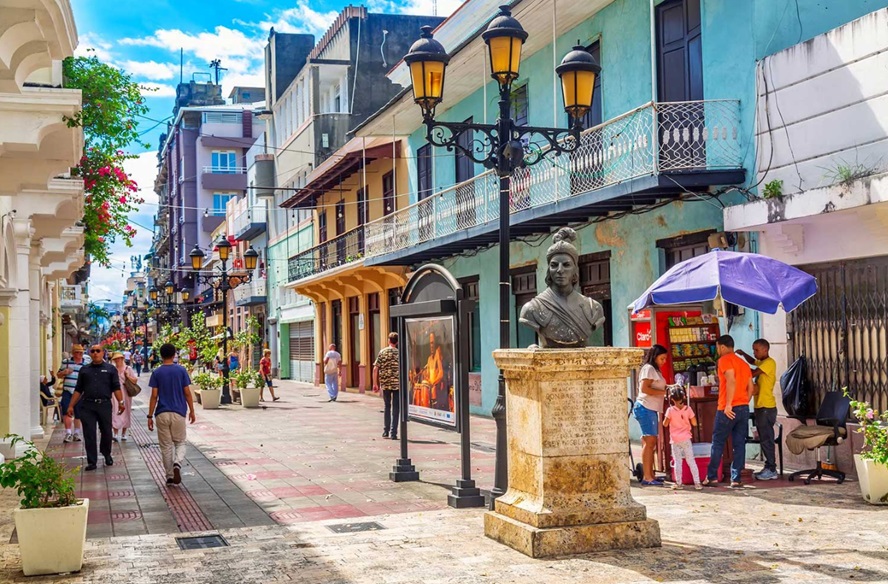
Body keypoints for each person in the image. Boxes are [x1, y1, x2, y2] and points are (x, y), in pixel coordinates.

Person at [518, 227, 605, 348]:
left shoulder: (593, 308)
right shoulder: (532, 309)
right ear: (549, 270)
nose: (560, 270)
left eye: (566, 265)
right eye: (554, 265)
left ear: (575, 269)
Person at [703, 335, 754, 488]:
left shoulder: (725, 360)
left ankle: (711, 477)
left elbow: (731, 380)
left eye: (718, 347)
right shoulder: (743, 363)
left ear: (723, 347)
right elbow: (751, 387)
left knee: (718, 442)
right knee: (739, 444)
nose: (717, 350)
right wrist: (744, 401)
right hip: (743, 407)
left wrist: (729, 404)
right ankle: (736, 478)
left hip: (727, 408)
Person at [66, 344, 125, 471]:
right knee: (89, 433)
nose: (95, 353)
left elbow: (116, 387)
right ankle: (92, 461)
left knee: (106, 432)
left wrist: (121, 402)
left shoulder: (110, 369)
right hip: (88, 405)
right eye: (93, 351)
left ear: (103, 352)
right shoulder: (84, 370)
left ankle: (106, 453)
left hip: (104, 404)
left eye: (98, 351)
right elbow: (78, 389)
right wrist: (71, 405)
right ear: (90, 353)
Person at [147, 343, 196, 485]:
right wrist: (192, 410)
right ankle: (177, 463)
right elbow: (187, 392)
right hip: (178, 412)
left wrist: (150, 416)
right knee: (180, 442)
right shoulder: (181, 370)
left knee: (166, 446)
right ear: (174, 354)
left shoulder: (156, 372)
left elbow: (154, 396)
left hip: (161, 413)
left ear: (161, 355)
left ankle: (169, 476)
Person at [737, 339, 779, 481]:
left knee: (767, 439)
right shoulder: (762, 361)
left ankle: (771, 469)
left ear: (765, 350)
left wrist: (737, 367)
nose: (754, 353)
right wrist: (743, 354)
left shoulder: (769, 363)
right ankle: (769, 466)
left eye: (757, 350)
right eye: (753, 350)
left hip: (767, 407)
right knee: (763, 438)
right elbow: (753, 361)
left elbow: (753, 373)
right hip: (760, 407)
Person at [633, 344, 669, 486]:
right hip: (645, 407)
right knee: (650, 442)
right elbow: (645, 388)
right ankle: (648, 477)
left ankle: (651, 474)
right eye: (662, 358)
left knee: (650, 442)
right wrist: (664, 393)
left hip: (651, 408)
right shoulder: (648, 369)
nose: (664, 361)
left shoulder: (655, 370)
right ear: (655, 357)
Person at [663, 386, 701, 490]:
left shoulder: (670, 410)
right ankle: (697, 483)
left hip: (675, 440)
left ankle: (679, 483)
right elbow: (694, 423)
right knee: (691, 461)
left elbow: (665, 424)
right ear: (684, 397)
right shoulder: (688, 409)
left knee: (677, 462)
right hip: (686, 439)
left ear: (671, 399)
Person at [373, 332, 400, 440]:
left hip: (385, 384)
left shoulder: (382, 352)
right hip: (397, 384)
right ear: (397, 342)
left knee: (387, 406)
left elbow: (375, 368)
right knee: (396, 408)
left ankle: (386, 431)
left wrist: (375, 383)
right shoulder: (399, 353)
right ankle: (394, 433)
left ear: (389, 340)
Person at [57, 344, 86, 443]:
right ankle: (68, 433)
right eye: (77, 352)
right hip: (67, 391)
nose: (79, 354)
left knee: (78, 413)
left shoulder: (86, 364)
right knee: (66, 411)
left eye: (81, 352)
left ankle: (77, 433)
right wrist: (64, 372)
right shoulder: (66, 362)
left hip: (80, 393)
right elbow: (58, 375)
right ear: (73, 353)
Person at [110, 352, 136, 442]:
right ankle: (115, 433)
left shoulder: (128, 368)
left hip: (126, 393)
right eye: (116, 359)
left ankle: (124, 433)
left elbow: (135, 380)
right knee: (115, 411)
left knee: (126, 411)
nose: (118, 360)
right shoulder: (112, 369)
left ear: (122, 359)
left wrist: (127, 376)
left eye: (119, 358)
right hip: (115, 393)